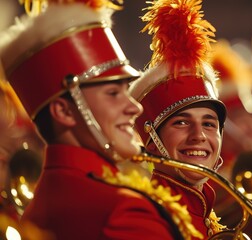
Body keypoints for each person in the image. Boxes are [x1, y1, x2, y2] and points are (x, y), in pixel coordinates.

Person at [0, 1, 201, 239]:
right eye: (113, 94)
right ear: (63, 112)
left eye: (127, 91)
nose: (134, 107)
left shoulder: (36, 207)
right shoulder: (125, 213)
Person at [129, 0, 228, 239]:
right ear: (151, 140)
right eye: (182, 122)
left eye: (209, 123)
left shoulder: (205, 214)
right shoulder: (145, 221)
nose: (199, 136)